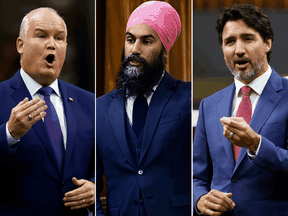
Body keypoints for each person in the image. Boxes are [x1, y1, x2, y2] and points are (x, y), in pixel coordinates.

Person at [96, 1, 191, 216]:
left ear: (164, 50)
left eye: (147, 41)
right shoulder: (99, 108)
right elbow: (91, 181)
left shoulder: (188, 97)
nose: (135, 50)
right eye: (130, 40)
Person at [193, 3, 288, 216]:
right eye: (229, 42)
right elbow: (196, 177)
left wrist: (256, 144)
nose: (238, 50)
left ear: (267, 43)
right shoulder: (209, 105)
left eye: (248, 38)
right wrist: (199, 200)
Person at [0, 7, 95, 216]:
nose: (51, 44)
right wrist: (9, 133)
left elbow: (107, 164)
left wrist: (94, 188)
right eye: (41, 35)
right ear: (20, 45)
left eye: (59, 38)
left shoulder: (90, 102)